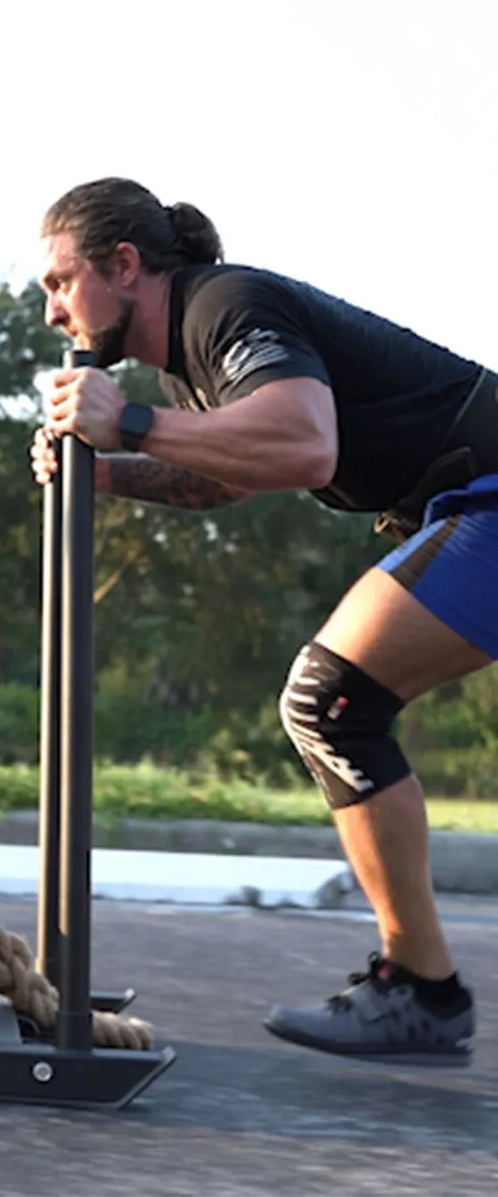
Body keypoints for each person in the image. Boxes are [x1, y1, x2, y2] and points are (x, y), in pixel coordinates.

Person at [30, 176, 498, 1067]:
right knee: (337, 703)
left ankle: (423, 995)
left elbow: (304, 443)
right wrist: (109, 473)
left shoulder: (224, 305)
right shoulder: (192, 357)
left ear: (125, 266)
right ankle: (422, 991)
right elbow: (230, 475)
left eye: (60, 282)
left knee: (331, 700)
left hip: (487, 505)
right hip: (468, 511)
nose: (52, 311)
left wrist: (127, 420)